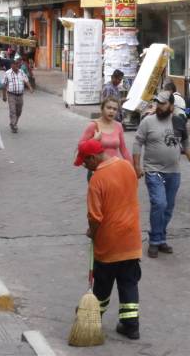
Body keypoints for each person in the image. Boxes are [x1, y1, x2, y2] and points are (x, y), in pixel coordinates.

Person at [75, 139, 142, 341]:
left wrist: (91, 232)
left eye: (85, 162)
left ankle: (91, 319)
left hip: (109, 243)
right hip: (131, 239)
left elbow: (95, 217)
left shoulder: (97, 180)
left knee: (102, 286)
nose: (84, 166)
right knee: (128, 283)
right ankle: (131, 326)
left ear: (93, 157)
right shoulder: (126, 166)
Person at [132, 89, 190, 258]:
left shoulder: (178, 122)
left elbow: (186, 143)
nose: (159, 106)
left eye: (163, 103)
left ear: (171, 106)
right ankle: (154, 240)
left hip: (173, 171)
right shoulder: (148, 121)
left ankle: (160, 238)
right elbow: (137, 142)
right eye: (157, 103)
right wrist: (137, 166)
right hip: (153, 170)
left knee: (168, 208)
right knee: (159, 204)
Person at [79, 96, 130, 170]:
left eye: (115, 109)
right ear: (102, 109)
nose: (111, 111)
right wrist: (94, 140)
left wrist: (131, 167)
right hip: (97, 169)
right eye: (108, 108)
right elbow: (81, 146)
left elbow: (124, 150)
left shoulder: (118, 126)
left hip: (115, 169)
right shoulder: (93, 125)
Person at [0, 59, 32, 133]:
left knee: (19, 111)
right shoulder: (7, 73)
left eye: (17, 64)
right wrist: (4, 96)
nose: (16, 65)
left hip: (20, 95)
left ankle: (13, 123)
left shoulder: (21, 72)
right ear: (11, 65)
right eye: (15, 64)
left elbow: (26, 80)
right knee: (13, 110)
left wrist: (30, 87)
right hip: (11, 95)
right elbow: (4, 85)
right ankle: (14, 125)